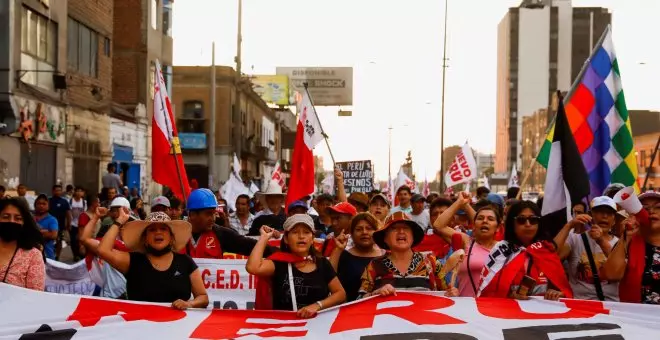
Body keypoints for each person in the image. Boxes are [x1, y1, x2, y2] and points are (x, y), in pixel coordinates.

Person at [97, 210, 208, 308]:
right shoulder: (132, 261)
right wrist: (119, 221)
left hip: (177, 329)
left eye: (163, 228)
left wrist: (189, 304)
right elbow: (103, 250)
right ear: (145, 239)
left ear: (171, 238)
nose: (158, 232)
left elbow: (203, 297)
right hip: (139, 328)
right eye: (152, 230)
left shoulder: (186, 262)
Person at [246, 214, 346, 317]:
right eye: (295, 232)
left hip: (317, 328)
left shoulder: (322, 263)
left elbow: (340, 294)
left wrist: (317, 305)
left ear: (312, 239)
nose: (301, 236)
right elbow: (252, 267)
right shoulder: (279, 263)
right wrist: (264, 237)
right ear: (286, 239)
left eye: (306, 232)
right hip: (284, 329)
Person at [477, 201, 574, 300]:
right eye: (521, 220)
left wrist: (558, 294)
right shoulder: (501, 250)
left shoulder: (546, 251)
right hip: (509, 312)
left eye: (533, 220)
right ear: (512, 224)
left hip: (543, 313)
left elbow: (563, 291)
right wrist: (510, 296)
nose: (528, 224)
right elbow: (488, 292)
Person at [358, 212, 460, 298]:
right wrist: (376, 294)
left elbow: (445, 294)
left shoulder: (431, 262)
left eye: (406, 228)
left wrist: (452, 294)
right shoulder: (374, 265)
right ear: (385, 238)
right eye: (394, 228)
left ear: (413, 236)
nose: (401, 231)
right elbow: (360, 299)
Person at [433, 193, 500, 297]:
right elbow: (438, 226)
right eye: (480, 218)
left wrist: (467, 207)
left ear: (498, 227)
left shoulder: (504, 248)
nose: (485, 221)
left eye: (490, 219)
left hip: (492, 310)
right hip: (465, 308)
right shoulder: (467, 242)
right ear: (473, 225)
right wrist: (460, 203)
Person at [602, 190, 660, 304]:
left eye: (658, 207)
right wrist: (626, 236)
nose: (652, 211)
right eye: (645, 208)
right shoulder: (629, 242)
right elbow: (611, 274)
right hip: (637, 318)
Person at [185, 189, 276, 259]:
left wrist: (280, 252)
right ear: (192, 214)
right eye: (208, 214)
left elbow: (248, 245)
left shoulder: (221, 234)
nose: (213, 218)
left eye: (214, 213)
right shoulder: (175, 235)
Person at [560, 196, 619, 301]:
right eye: (600, 212)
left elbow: (619, 271)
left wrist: (601, 241)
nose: (604, 216)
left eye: (609, 213)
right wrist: (569, 226)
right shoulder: (575, 239)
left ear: (614, 220)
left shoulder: (620, 243)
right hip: (580, 306)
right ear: (590, 215)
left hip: (612, 307)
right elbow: (554, 256)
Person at [329, 213, 385, 301]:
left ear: (377, 232)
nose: (364, 232)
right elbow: (328, 277)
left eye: (369, 228)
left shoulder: (385, 256)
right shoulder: (343, 255)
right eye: (359, 229)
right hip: (349, 310)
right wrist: (338, 249)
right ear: (352, 234)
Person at [79, 204, 128, 299]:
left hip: (129, 298)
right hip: (109, 297)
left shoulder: (138, 248)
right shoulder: (108, 246)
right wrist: (95, 217)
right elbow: (84, 239)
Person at [0, 198, 45, 290]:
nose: (11, 221)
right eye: (6, 217)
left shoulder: (33, 255)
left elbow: (35, 297)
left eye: (18, 218)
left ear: (24, 223)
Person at [49, 184, 72, 260]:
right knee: (50, 241)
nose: (58, 192)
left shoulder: (64, 201)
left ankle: (57, 257)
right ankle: (50, 255)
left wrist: (69, 224)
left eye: (59, 190)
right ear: (53, 191)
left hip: (60, 225)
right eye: (56, 190)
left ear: (61, 191)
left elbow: (68, 214)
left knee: (59, 241)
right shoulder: (49, 201)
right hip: (50, 225)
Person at [34, 194, 58, 260]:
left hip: (48, 256)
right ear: (35, 205)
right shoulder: (30, 218)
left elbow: (53, 235)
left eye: (44, 204)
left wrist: (34, 232)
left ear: (48, 206)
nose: (41, 206)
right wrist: (45, 232)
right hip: (31, 256)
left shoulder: (52, 219)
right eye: (39, 203)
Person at [68, 187, 87, 261]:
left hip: (81, 224)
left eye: (81, 191)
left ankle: (80, 255)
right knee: (73, 240)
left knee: (80, 240)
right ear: (75, 192)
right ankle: (75, 255)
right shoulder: (70, 201)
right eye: (77, 191)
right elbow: (68, 213)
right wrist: (68, 223)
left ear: (83, 193)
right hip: (73, 224)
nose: (79, 193)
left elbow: (85, 213)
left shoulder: (84, 202)